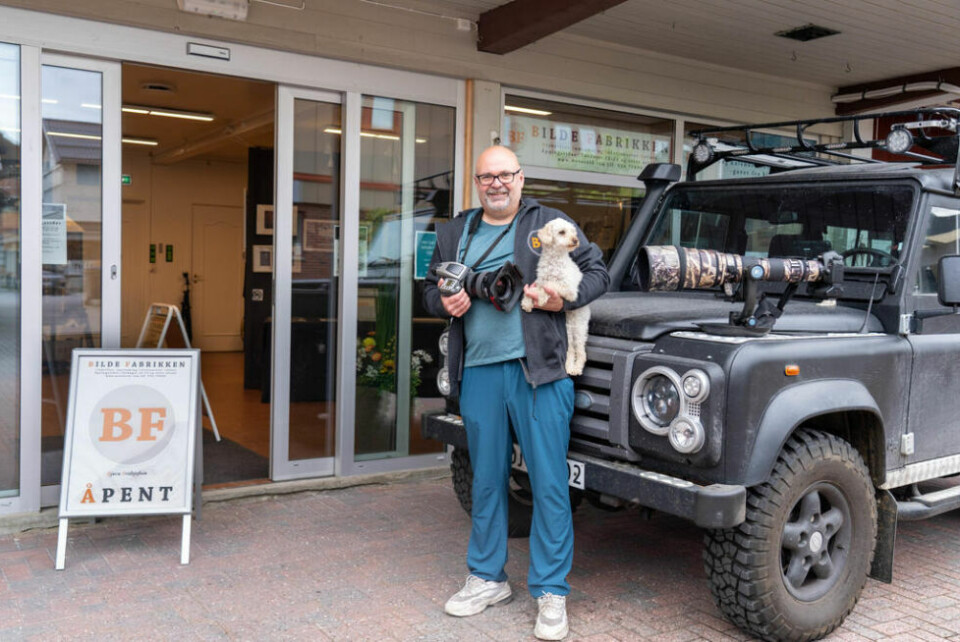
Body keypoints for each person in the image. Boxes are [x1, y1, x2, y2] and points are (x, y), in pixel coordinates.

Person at [423, 145, 609, 640]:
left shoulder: (549, 221)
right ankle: (487, 578)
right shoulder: (454, 232)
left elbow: (598, 272)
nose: (497, 184)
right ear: (477, 183)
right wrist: (446, 300)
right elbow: (429, 291)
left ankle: (550, 590)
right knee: (486, 480)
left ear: (521, 179)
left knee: (549, 482)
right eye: (487, 177)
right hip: (480, 371)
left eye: (505, 175)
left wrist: (562, 296)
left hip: (539, 372)